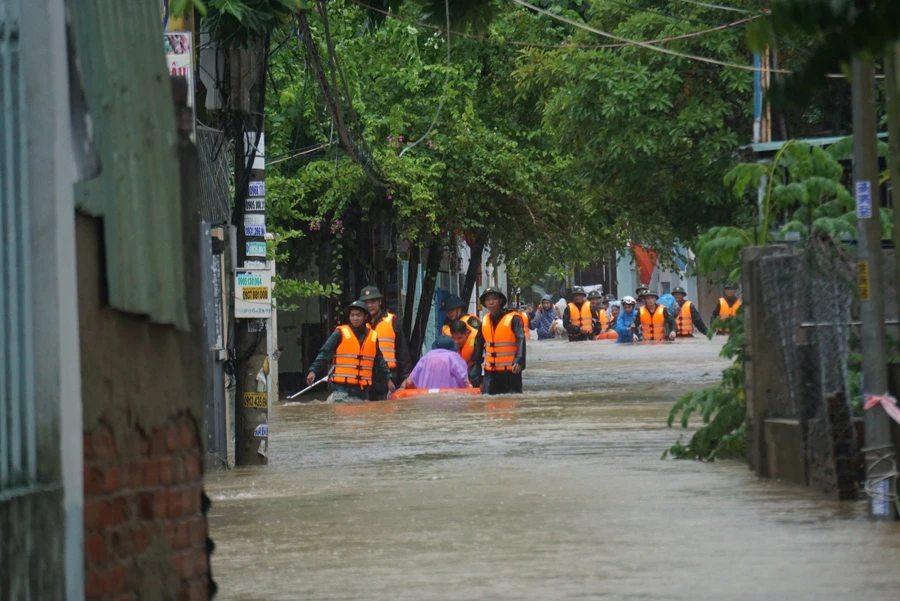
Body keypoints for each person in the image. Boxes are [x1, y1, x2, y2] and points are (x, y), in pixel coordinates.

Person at [306, 301, 394, 402]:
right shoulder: (340, 333)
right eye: (352, 315)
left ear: (365, 317)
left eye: (358, 315)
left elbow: (380, 360)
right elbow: (325, 352)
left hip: (361, 388)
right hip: (341, 387)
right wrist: (313, 370)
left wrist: (388, 379)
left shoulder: (373, 336)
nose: (355, 318)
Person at [470, 286, 526, 395]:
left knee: (512, 403)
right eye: (487, 300)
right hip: (490, 373)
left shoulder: (513, 318)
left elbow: (521, 338)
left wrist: (519, 360)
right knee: (488, 403)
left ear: (500, 301)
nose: (490, 302)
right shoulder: (484, 321)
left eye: (494, 299)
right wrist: (477, 376)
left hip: (510, 372)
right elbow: (478, 349)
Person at [360, 285, 412, 400]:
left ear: (380, 301)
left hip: (390, 375)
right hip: (366, 375)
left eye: (373, 301)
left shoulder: (391, 321)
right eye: (366, 302)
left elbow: (402, 350)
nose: (370, 305)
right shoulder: (359, 323)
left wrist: (406, 376)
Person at [402, 335, 469, 390]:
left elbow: (410, 382)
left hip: (425, 399)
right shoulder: (454, 357)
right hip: (449, 399)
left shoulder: (426, 357)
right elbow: (463, 379)